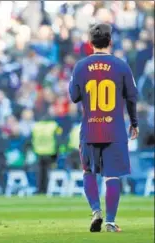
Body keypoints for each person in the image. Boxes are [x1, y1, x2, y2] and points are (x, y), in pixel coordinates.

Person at [69, 23, 138, 233]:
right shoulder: (121, 65)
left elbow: (74, 97)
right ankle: (110, 221)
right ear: (110, 42)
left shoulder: (80, 66)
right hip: (114, 129)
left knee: (88, 171)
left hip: (89, 128)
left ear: (90, 44)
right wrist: (134, 123)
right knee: (112, 175)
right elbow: (132, 97)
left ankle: (96, 210)